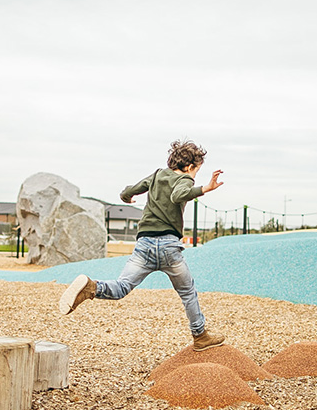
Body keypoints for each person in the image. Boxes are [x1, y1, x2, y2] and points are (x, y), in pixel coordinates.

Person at [58, 139, 225, 351]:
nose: (194, 176)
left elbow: (129, 190)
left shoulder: (156, 175)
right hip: (168, 247)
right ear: (190, 167)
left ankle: (91, 287)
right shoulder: (185, 179)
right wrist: (204, 188)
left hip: (144, 244)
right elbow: (178, 195)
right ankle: (200, 336)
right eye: (196, 171)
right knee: (187, 291)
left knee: (121, 287)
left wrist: (126, 197)